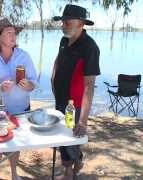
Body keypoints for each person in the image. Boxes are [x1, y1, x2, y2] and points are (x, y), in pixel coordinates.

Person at [0, 18, 38, 180]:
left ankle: (14, 174)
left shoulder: (24, 56)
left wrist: (28, 85)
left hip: (20, 110)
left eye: (14, 33)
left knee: (15, 145)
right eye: (9, 33)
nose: (13, 36)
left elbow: (34, 82)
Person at [51, 4, 100, 180]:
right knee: (61, 135)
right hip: (60, 99)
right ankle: (77, 160)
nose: (63, 25)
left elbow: (89, 86)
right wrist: (52, 78)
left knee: (69, 137)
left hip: (74, 104)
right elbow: (58, 62)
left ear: (81, 23)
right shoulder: (64, 41)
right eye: (63, 21)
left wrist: (84, 120)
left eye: (67, 21)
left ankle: (68, 171)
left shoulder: (90, 47)